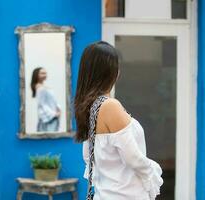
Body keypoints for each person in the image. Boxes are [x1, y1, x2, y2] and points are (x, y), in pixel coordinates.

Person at [74, 41, 163, 200]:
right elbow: (133, 158)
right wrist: (152, 171)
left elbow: (88, 157)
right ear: (111, 71)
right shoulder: (110, 106)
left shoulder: (90, 107)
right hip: (126, 195)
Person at [30, 67, 61, 132]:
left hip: (51, 118)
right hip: (48, 119)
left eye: (45, 73)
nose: (45, 75)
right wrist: (54, 114)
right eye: (42, 73)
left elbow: (52, 101)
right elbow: (42, 104)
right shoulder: (40, 88)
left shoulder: (43, 87)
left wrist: (58, 108)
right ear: (37, 75)